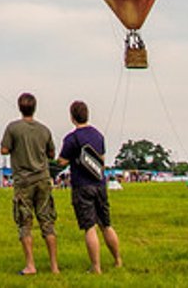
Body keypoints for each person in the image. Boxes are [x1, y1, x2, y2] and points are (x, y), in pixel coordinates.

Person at [58, 100, 122, 275]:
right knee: (106, 225)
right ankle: (117, 260)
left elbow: (62, 161)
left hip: (82, 185)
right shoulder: (98, 136)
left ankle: (96, 267)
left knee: (90, 227)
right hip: (100, 184)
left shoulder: (71, 139)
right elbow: (101, 159)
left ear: (72, 117)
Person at [1, 92, 59, 275]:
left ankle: (31, 265)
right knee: (47, 222)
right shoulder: (44, 130)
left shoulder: (13, 128)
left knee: (24, 223)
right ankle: (54, 266)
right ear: (35, 107)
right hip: (43, 179)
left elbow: (4, 149)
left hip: (23, 181)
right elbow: (51, 154)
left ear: (20, 107)